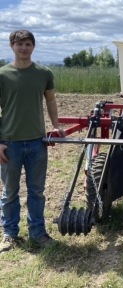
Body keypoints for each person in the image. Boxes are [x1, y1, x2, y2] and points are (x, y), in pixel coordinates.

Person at [0, 30, 66, 252]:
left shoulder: (43, 73)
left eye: (28, 44)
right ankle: (9, 233)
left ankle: (37, 233)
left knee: (36, 191)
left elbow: (50, 100)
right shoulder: (3, 75)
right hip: (10, 143)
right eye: (20, 44)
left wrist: (55, 125)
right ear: (11, 46)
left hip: (37, 142)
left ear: (33, 46)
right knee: (10, 192)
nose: (24, 48)